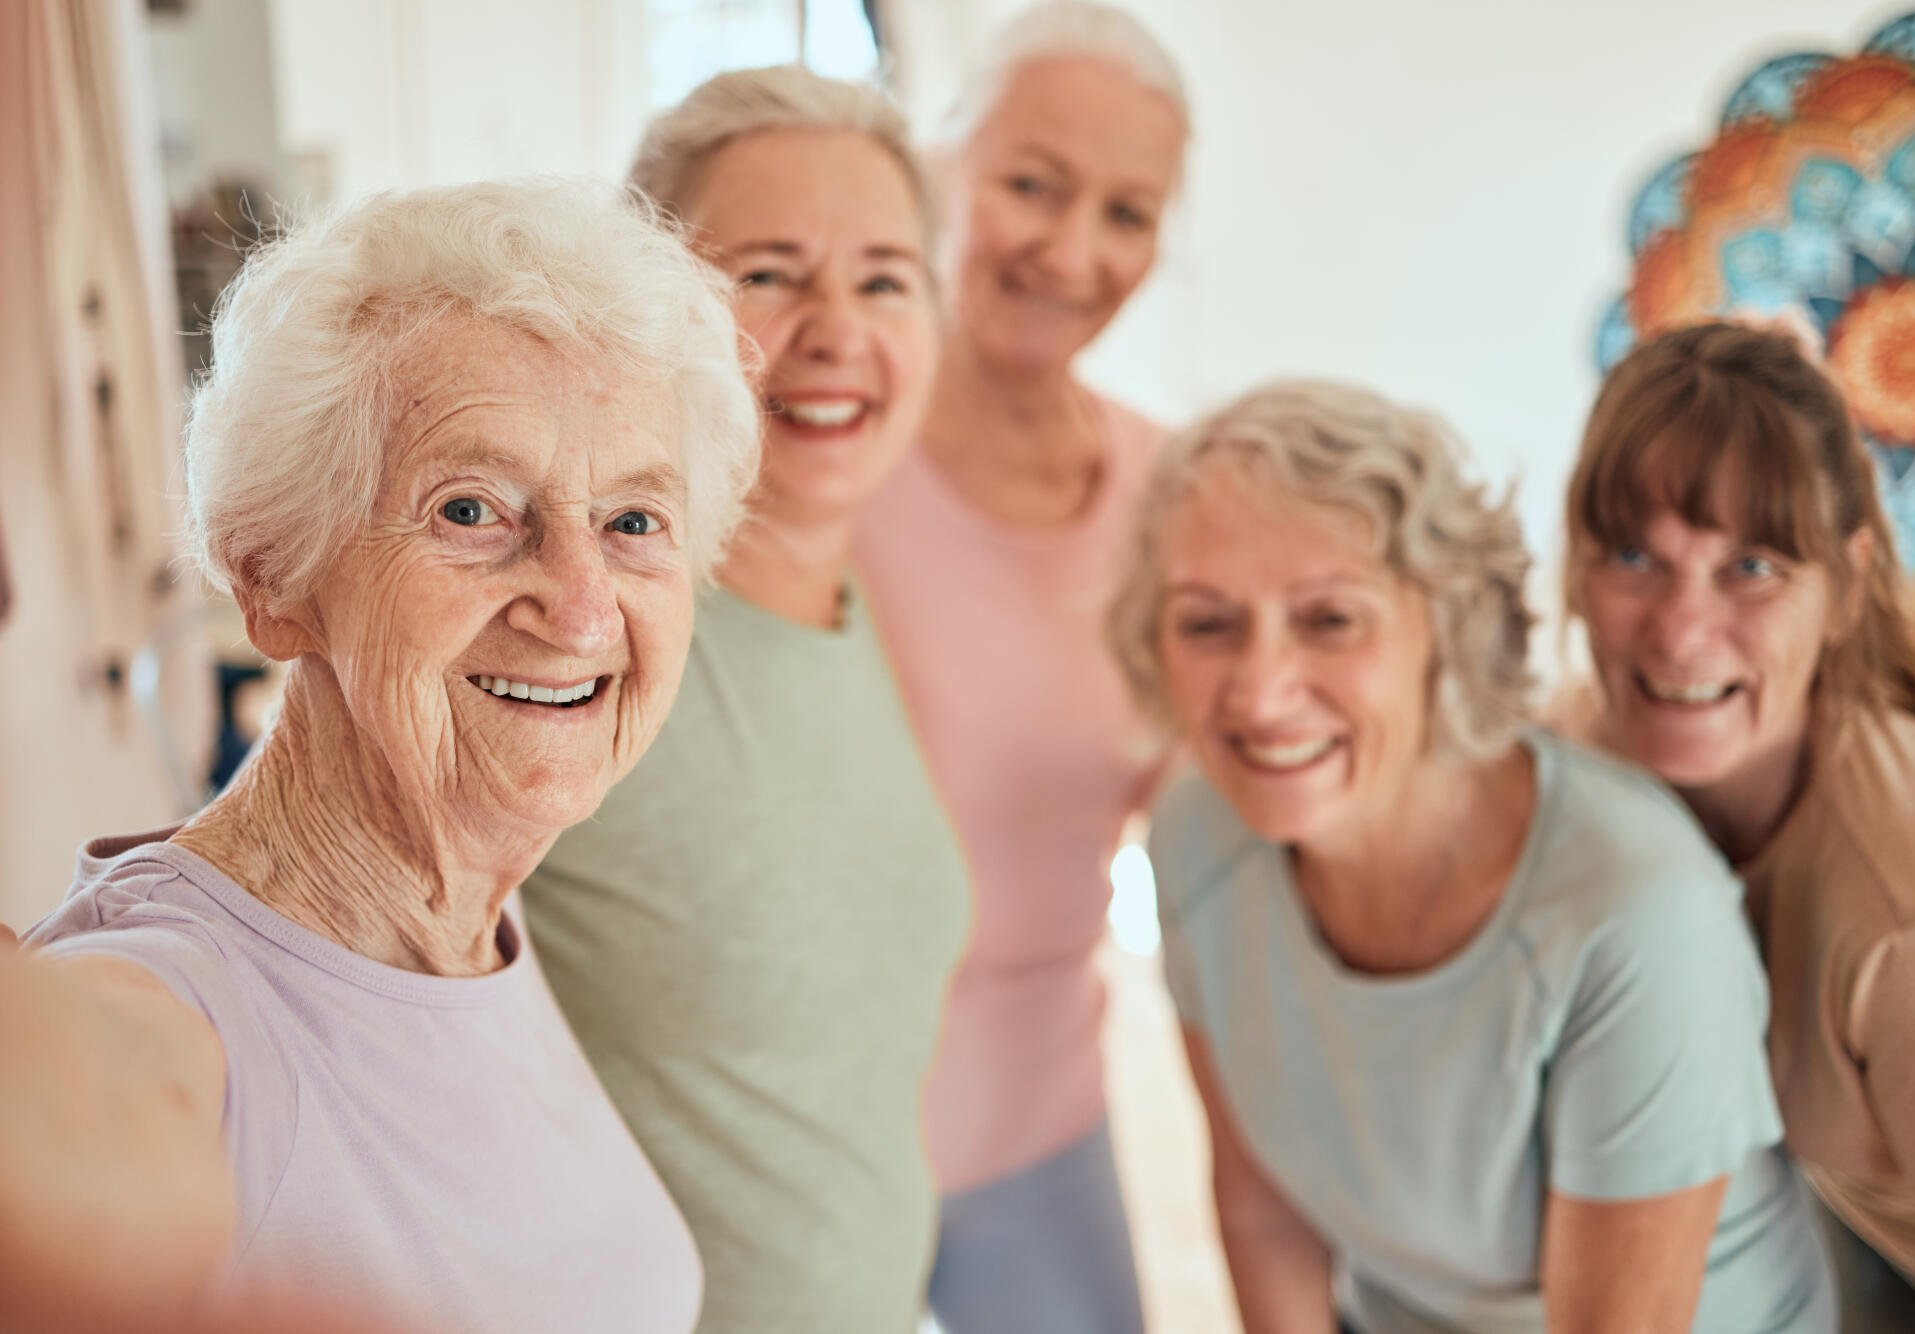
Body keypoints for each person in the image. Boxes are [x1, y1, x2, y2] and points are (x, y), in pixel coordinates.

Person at [0, 178, 763, 1334]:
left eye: (632, 521)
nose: (579, 607)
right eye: (470, 509)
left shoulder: (473, 909)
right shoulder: (166, 1009)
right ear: (268, 575)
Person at [1108, 380, 1837, 1332]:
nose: (1260, 691)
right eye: (1208, 623)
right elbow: (1266, 1213)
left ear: (1444, 633)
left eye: (1331, 619)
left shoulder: (1637, 916)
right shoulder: (1197, 834)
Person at [518, 68, 970, 1334]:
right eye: (769, 273)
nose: (837, 328)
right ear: (641, 314)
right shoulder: (577, 637)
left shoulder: (852, 608)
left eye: (883, 277)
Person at [851, 6, 1187, 1327]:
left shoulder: (1170, 488)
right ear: (937, 170)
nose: (1073, 250)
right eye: (1032, 185)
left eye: (1128, 210)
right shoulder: (822, 449)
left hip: (1042, 1118)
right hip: (793, 1126)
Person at [1566, 322, 1915, 1333]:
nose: (1678, 630)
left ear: (1844, 586)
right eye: (1633, 554)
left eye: (1750, 565)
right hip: (1850, 1206)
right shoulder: (1600, 742)